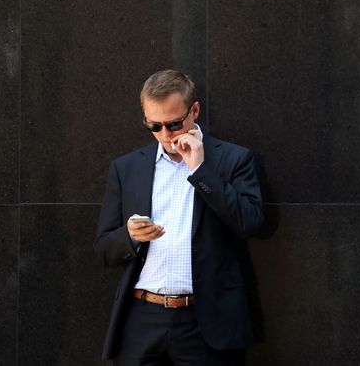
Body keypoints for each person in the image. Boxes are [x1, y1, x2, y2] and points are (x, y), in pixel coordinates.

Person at [94, 69, 265, 365]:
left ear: (194, 110)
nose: (165, 135)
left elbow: (249, 222)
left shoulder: (233, 159)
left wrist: (200, 171)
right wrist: (130, 236)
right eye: (154, 126)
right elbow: (103, 250)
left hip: (206, 321)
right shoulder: (127, 168)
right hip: (141, 319)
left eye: (173, 123)